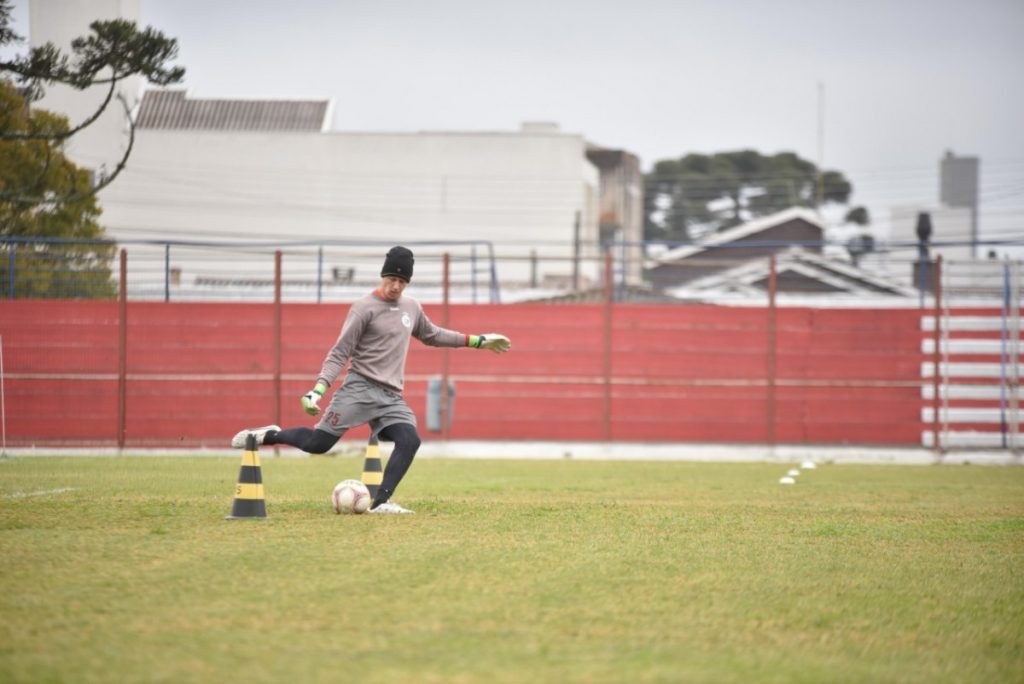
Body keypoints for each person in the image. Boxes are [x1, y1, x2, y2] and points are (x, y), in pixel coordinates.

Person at [230, 246, 512, 514]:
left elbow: (433, 334)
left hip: (391, 398)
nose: (396, 286)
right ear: (382, 275)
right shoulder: (363, 308)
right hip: (359, 389)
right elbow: (339, 353)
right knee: (319, 444)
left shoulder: (411, 307)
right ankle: (271, 434)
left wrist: (478, 341)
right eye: (392, 278)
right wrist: (318, 389)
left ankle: (381, 503)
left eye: (403, 281)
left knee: (409, 440)